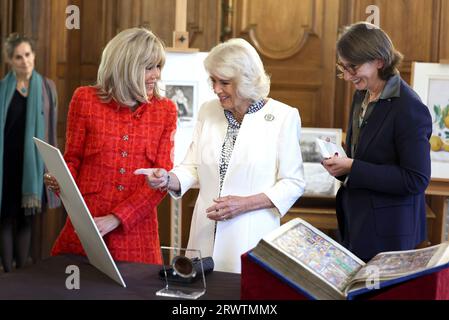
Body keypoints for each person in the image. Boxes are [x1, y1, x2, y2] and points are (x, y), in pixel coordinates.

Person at [135, 38, 306, 273]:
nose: (216, 89)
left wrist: (243, 204)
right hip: (204, 233)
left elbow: (293, 182)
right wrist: (167, 179)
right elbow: (192, 166)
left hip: (251, 236)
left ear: (246, 81)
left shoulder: (283, 116)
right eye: (213, 81)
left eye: (224, 82)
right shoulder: (208, 110)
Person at [44, 27, 177, 264]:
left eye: (159, 66)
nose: (156, 74)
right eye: (149, 67)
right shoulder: (85, 99)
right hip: (87, 231)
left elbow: (160, 182)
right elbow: (72, 160)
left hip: (137, 238)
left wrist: (116, 218)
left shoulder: (165, 110)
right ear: (125, 66)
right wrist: (60, 181)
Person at [322, 22, 432, 261]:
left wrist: (353, 167)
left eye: (353, 67)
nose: (348, 75)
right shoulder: (361, 93)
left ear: (380, 62)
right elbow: (366, 155)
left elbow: (416, 180)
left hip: (390, 233)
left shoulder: (409, 108)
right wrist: (342, 167)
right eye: (343, 66)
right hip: (357, 222)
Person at [0, 33, 59, 272]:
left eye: (27, 54)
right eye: (18, 57)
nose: (24, 61)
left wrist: (50, 166)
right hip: (5, 163)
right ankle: (6, 272)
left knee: (26, 218)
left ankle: (20, 274)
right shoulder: (2, 89)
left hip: (32, 164)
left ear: (33, 55)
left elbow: (51, 129)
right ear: (9, 60)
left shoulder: (47, 87)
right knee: (3, 218)